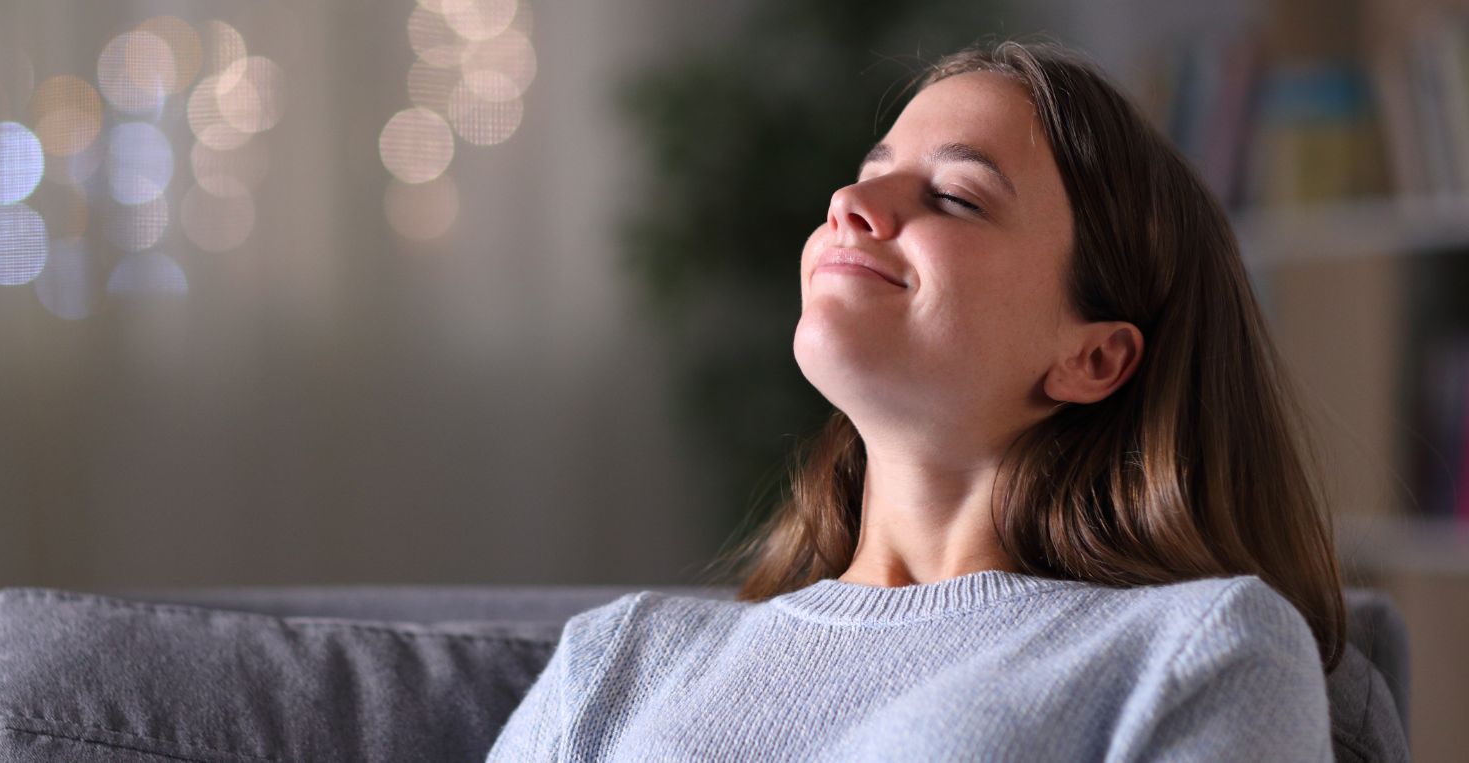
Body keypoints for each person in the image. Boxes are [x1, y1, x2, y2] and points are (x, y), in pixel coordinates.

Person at [488, 38, 1354, 761]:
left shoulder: (1200, 649)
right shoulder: (618, 661)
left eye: (954, 196)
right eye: (868, 172)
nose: (849, 204)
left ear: (1094, 356)